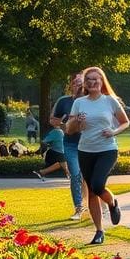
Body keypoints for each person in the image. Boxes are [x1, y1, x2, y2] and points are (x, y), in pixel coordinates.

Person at [67, 67, 130, 245]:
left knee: (97, 184)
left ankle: (112, 203)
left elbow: (126, 122)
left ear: (102, 82)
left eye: (96, 79)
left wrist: (114, 131)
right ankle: (99, 231)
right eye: (89, 80)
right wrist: (76, 121)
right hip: (85, 150)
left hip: (107, 149)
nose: (92, 83)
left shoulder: (110, 101)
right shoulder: (79, 102)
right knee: (92, 192)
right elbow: (70, 130)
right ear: (85, 84)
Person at [50, 72, 86, 220]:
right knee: (75, 175)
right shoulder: (63, 101)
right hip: (71, 143)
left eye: (81, 82)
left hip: (89, 144)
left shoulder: (92, 101)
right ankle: (78, 207)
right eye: (75, 82)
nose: (78, 84)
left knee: (88, 177)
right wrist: (65, 124)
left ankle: (93, 204)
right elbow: (52, 120)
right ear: (71, 84)